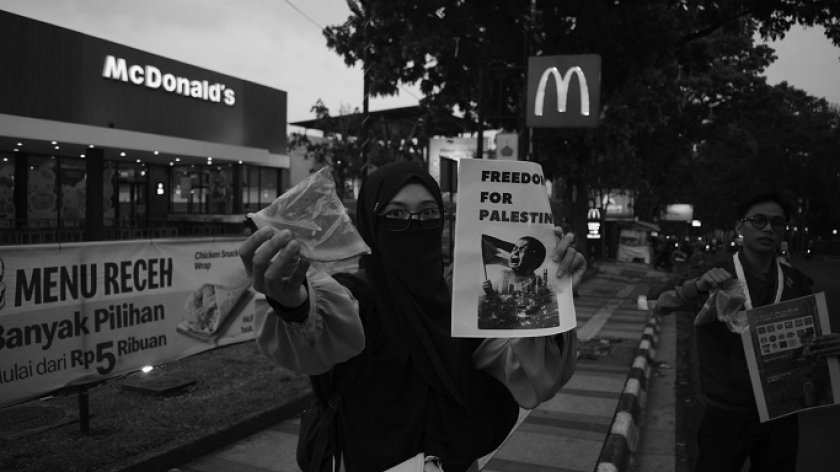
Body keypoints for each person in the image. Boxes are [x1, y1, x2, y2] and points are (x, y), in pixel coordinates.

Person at [240, 162, 584, 472]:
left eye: (428, 214)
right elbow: (321, 332)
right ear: (372, 224)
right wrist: (291, 301)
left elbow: (534, 375)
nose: (415, 225)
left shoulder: (461, 305)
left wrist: (549, 291)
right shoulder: (354, 295)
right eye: (396, 216)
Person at [647, 191, 840, 472]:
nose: (768, 229)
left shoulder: (796, 281)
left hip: (782, 412)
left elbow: (808, 339)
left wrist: (830, 346)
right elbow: (655, 302)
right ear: (740, 227)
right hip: (727, 414)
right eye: (759, 221)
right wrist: (697, 287)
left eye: (777, 223)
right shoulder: (714, 274)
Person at [482, 236, 546, 298]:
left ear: (533, 259)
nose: (515, 252)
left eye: (522, 249)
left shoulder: (537, 282)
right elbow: (495, 300)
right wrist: (489, 291)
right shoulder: (504, 275)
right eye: (515, 248)